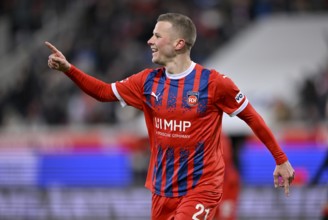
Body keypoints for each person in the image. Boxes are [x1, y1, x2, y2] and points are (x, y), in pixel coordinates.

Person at [46, 12, 295, 220]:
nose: (149, 41)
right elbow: (102, 92)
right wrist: (69, 69)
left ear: (178, 43)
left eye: (157, 35)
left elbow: (252, 117)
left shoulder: (214, 83)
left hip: (202, 187)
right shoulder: (146, 81)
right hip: (162, 189)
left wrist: (281, 159)